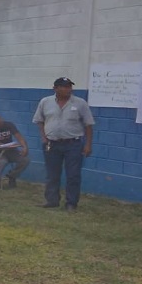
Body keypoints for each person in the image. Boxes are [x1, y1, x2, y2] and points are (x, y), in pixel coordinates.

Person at [33, 77, 94, 211]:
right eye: (65, 87)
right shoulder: (45, 102)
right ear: (55, 88)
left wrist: (88, 145)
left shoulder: (80, 103)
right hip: (51, 143)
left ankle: (71, 203)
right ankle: (52, 200)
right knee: (52, 174)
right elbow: (39, 120)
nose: (68, 89)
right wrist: (44, 138)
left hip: (73, 144)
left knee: (73, 175)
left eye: (69, 87)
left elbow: (88, 125)